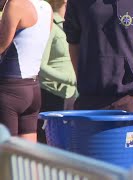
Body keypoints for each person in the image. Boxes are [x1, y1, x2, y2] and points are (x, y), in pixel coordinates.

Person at [63, 0, 133, 166]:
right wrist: (84, 78)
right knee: (91, 169)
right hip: (91, 102)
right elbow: (73, 41)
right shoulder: (78, 3)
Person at [0, 0, 52, 142]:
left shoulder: (16, 4)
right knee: (28, 156)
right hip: (33, 88)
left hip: (9, 89)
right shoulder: (46, 7)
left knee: (6, 153)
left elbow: (2, 45)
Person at [37, 0, 77, 144]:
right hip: (51, 95)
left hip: (71, 95)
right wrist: (72, 79)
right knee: (50, 145)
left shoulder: (74, 24)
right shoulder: (50, 25)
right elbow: (40, 66)